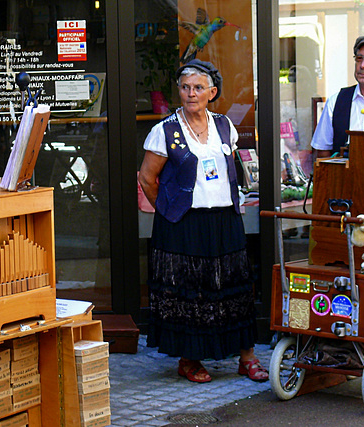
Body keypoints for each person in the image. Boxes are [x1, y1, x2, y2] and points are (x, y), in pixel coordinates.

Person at [138, 59, 267, 383]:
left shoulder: (224, 125)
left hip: (224, 218)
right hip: (184, 224)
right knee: (190, 292)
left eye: (198, 88)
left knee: (235, 288)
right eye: (185, 87)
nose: (190, 94)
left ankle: (246, 356)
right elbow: (147, 178)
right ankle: (189, 359)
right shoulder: (163, 131)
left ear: (212, 92)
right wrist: (169, 211)